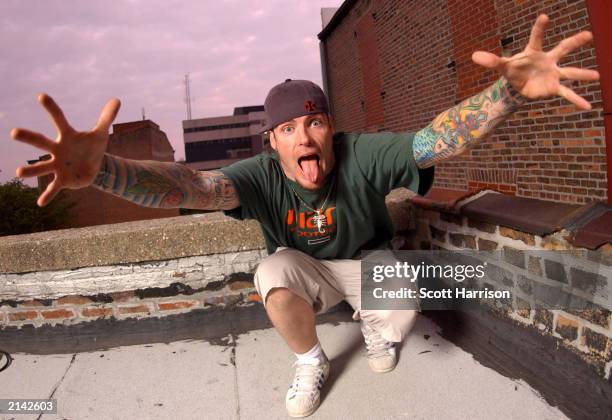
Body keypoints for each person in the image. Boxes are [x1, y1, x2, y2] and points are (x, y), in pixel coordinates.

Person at [10, 15, 598, 418]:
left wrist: (507, 92)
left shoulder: (360, 153)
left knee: (403, 287)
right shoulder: (256, 176)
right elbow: (189, 184)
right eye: (289, 129)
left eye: (314, 123)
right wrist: (108, 171)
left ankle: (375, 325)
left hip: (365, 262)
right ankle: (311, 361)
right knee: (272, 273)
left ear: (330, 130)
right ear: (273, 142)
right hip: (308, 274)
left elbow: (434, 141)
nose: (304, 137)